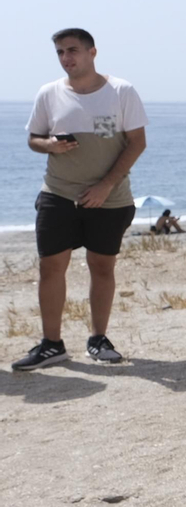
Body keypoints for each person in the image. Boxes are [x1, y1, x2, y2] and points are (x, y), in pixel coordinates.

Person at [13, 28, 147, 371]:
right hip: (58, 194)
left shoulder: (121, 91)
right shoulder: (49, 93)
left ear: (92, 52)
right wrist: (49, 145)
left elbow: (136, 143)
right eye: (60, 52)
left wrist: (105, 185)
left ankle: (98, 339)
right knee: (50, 268)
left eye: (72, 50)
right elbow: (34, 139)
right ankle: (51, 345)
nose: (66, 58)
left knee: (101, 267)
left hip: (110, 198)